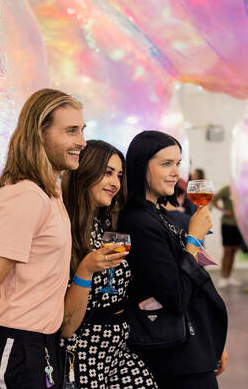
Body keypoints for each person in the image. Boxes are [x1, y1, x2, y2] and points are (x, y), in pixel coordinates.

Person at [0, 88, 85, 388]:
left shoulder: (49, 192)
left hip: (40, 345)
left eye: (82, 130)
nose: (81, 142)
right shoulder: (25, 195)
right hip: (18, 347)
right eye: (71, 131)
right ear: (39, 134)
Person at [119, 130, 228, 388]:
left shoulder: (157, 213)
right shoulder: (138, 221)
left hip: (192, 346)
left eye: (178, 164)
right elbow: (176, 295)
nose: (175, 173)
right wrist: (194, 240)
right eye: (166, 163)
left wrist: (211, 341)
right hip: (176, 356)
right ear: (140, 165)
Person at [59, 140, 157, 388]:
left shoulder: (104, 223)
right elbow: (67, 327)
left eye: (119, 175)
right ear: (85, 171)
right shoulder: (62, 226)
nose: (115, 183)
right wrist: (86, 269)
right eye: (107, 172)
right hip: (84, 352)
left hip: (118, 349)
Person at [211, 185, 244, 288]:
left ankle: (229, 277)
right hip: (227, 224)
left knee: (234, 251)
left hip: (240, 225)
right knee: (227, 251)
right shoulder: (227, 189)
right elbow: (213, 200)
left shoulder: (244, 189)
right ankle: (223, 277)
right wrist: (224, 211)